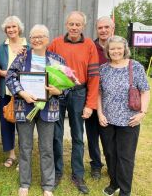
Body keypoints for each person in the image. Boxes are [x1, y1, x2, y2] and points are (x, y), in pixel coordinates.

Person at [6, 24, 64, 196]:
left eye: (41, 36)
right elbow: (10, 77)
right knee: (25, 147)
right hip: (24, 107)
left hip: (48, 109)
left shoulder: (56, 60)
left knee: (47, 148)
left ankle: (48, 185)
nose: (37, 40)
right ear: (29, 40)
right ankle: (24, 183)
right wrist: (22, 93)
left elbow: (67, 84)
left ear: (48, 39)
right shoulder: (22, 57)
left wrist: (59, 91)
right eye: (34, 37)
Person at [48, 11, 99, 194]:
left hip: (79, 94)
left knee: (78, 135)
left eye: (78, 24)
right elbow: (46, 66)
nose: (74, 27)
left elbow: (94, 76)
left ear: (83, 26)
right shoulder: (56, 43)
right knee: (56, 133)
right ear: (66, 25)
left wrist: (90, 104)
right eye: (71, 24)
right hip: (58, 93)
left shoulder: (90, 45)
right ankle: (57, 172)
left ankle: (78, 174)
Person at [98, 36, 150, 196]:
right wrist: (100, 113)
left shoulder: (135, 67)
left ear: (124, 49)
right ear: (107, 51)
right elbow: (99, 93)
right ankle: (114, 183)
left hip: (129, 121)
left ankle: (125, 191)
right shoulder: (104, 69)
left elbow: (145, 91)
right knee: (110, 154)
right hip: (107, 120)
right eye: (112, 48)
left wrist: (142, 113)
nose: (115, 51)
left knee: (125, 157)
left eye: (118, 48)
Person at [85, 16, 114, 180]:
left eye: (106, 27)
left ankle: (112, 165)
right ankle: (96, 165)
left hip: (111, 100)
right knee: (92, 134)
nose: (103, 30)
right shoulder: (91, 46)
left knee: (109, 136)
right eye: (100, 27)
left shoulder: (117, 46)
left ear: (112, 28)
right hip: (92, 97)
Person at [0, 16, 28, 168]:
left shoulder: (28, 46)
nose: (11, 30)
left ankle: (23, 157)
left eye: (13, 27)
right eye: (8, 28)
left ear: (19, 28)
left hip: (23, 93)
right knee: (6, 124)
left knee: (23, 125)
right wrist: (3, 73)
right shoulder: (2, 47)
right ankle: (11, 155)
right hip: (6, 91)